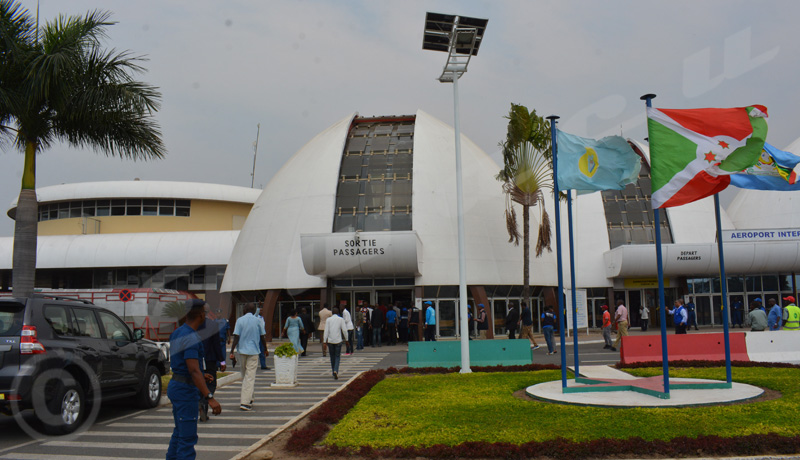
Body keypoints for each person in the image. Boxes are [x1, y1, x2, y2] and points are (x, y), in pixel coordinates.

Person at [167, 300, 221, 460]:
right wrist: (210, 397)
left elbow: (182, 362)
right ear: (201, 315)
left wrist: (200, 374)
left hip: (176, 385)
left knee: (179, 432)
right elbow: (193, 369)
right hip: (185, 391)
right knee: (187, 438)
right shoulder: (191, 337)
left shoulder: (178, 332)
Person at [229, 304, 268, 411]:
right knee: (249, 377)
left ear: (245, 310)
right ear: (254, 310)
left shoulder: (239, 320)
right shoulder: (258, 321)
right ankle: (247, 401)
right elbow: (262, 336)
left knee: (245, 375)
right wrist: (265, 349)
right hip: (254, 351)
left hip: (242, 351)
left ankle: (246, 400)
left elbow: (236, 336)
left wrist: (232, 351)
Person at [197, 303, 225, 422]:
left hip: (196, 359)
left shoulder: (193, 325)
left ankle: (201, 403)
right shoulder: (213, 325)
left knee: (199, 381)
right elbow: (216, 345)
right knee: (211, 383)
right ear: (208, 312)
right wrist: (222, 361)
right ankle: (205, 402)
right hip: (210, 359)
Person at [323, 307, 349, 380]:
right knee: (337, 356)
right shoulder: (341, 319)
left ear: (332, 313)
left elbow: (326, 331)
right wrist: (347, 340)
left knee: (332, 356)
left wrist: (324, 341)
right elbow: (344, 330)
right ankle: (336, 370)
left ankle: (333, 370)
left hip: (330, 341)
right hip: (338, 340)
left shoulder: (328, 320)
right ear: (338, 313)